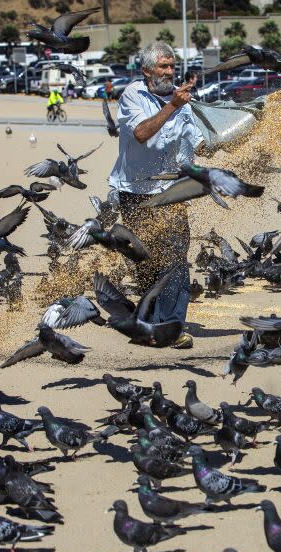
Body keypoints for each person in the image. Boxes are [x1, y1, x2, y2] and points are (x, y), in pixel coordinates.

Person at [108, 42, 204, 349]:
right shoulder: (133, 95)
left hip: (171, 192)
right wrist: (172, 106)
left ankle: (171, 328)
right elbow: (142, 134)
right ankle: (147, 324)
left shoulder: (183, 100)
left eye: (172, 66)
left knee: (176, 258)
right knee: (146, 260)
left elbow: (195, 144)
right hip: (135, 191)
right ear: (147, 70)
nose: (169, 71)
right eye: (163, 66)